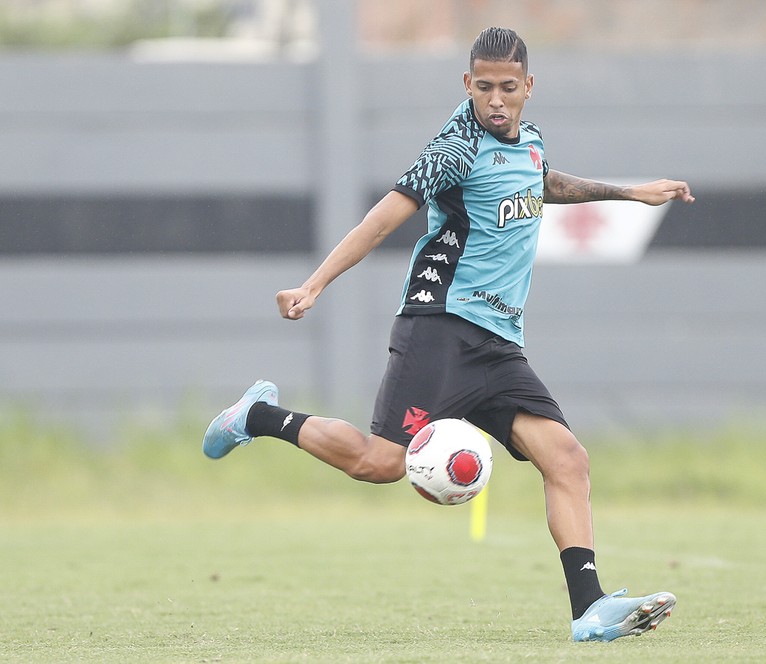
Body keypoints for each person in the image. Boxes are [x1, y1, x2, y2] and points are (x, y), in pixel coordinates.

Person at [203, 26, 694, 642]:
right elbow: (382, 220)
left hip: (498, 344)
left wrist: (630, 193)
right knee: (377, 464)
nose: (496, 99)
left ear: (529, 87)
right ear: (467, 84)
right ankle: (256, 416)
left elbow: (541, 181)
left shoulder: (529, 141)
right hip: (439, 328)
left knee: (567, 457)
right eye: (483, 87)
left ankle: (589, 609)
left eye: (507, 87)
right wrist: (314, 284)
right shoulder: (453, 151)